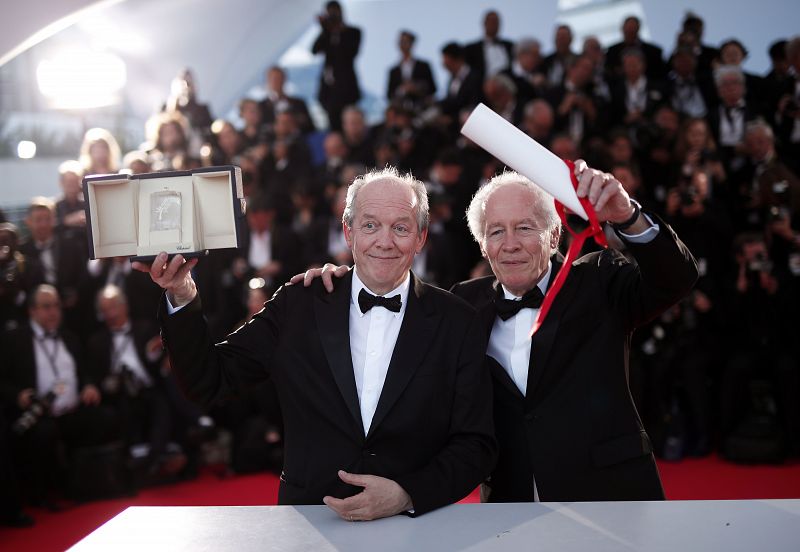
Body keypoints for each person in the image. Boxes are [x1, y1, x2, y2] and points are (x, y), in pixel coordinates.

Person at [298, 161, 697, 501]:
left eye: (524, 228)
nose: (510, 245)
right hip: (510, 500)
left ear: (553, 234)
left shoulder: (599, 279)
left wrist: (626, 215)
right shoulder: (461, 304)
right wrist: (346, 282)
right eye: (496, 231)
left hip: (611, 492)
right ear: (483, 245)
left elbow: (676, 277)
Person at [133, 167, 496, 520]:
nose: (384, 241)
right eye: (370, 225)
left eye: (400, 228)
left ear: (421, 237)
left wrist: (407, 494)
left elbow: (475, 445)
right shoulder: (299, 304)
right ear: (348, 232)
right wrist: (181, 294)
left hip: (417, 528)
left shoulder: (457, 321)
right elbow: (207, 381)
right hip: (310, 520)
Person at [312, 1, 362, 131]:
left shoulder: (353, 32)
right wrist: (325, 30)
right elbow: (314, 50)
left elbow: (349, 54)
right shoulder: (327, 34)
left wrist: (337, 31)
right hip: (329, 92)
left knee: (350, 125)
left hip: (347, 89)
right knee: (334, 126)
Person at [464, 10, 514, 83]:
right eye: (491, 22)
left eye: (496, 22)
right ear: (484, 24)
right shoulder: (471, 49)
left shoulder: (510, 46)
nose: (493, 25)